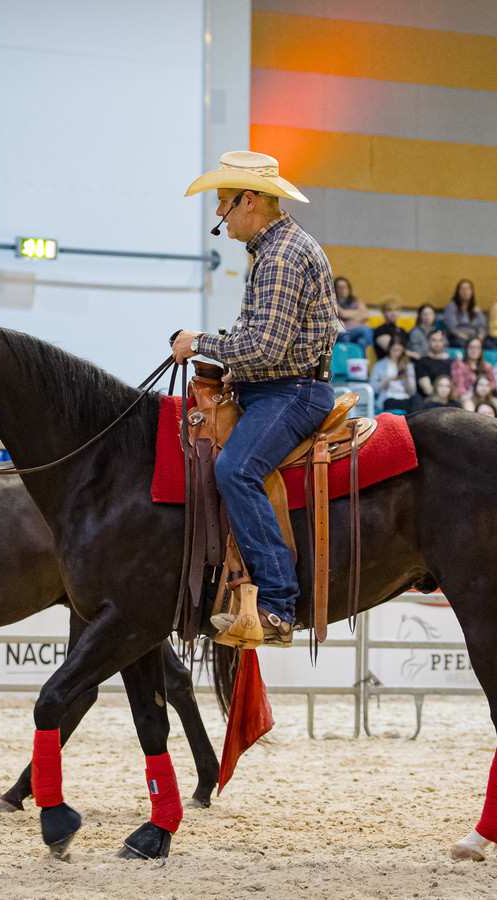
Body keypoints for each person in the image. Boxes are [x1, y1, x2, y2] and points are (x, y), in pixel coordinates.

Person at [174, 151, 338, 648]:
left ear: (250, 201)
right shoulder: (276, 250)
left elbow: (266, 346)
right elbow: (265, 342)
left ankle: (278, 605)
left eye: (224, 205)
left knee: (235, 470)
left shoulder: (282, 257)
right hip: (275, 385)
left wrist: (201, 342)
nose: (221, 218)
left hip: (292, 393)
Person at [369, 334, 415, 410]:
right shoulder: (380, 365)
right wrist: (387, 381)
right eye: (394, 350)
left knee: (414, 403)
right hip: (388, 397)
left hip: (404, 397)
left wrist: (407, 378)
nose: (397, 354)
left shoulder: (408, 365)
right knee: (391, 403)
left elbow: (412, 391)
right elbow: (373, 387)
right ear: (389, 349)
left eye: (399, 350)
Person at [412, 330, 453, 410]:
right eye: (434, 340)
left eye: (440, 340)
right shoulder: (422, 361)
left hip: (446, 400)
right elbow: (426, 388)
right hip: (428, 401)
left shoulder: (447, 363)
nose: (437, 343)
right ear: (428, 342)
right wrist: (441, 399)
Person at [441, 279, 486, 348]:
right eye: (462, 289)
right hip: (457, 337)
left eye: (468, 289)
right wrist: (466, 338)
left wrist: (480, 337)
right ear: (458, 292)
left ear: (472, 292)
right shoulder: (451, 307)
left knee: (488, 344)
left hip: (474, 338)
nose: (465, 292)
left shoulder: (476, 309)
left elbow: (481, 327)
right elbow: (452, 329)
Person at [450, 336, 494, 400]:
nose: (474, 350)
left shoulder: (487, 367)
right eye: (471, 347)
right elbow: (459, 386)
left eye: (477, 348)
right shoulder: (458, 365)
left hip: (485, 398)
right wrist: (467, 395)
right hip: (466, 397)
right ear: (466, 349)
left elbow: (493, 384)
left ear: (481, 351)